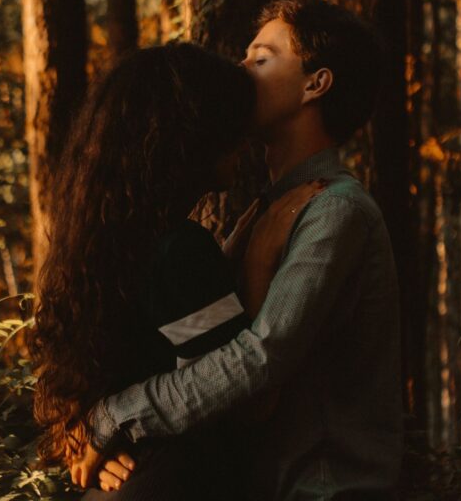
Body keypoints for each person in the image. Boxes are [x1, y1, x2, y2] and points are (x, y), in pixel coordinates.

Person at [73, 0, 403, 500]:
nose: (241, 68)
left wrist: (116, 416)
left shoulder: (336, 211)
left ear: (315, 84)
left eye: (262, 58)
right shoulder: (265, 208)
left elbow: (258, 357)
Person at [31, 43, 323, 500]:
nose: (244, 142)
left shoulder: (112, 242)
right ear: (190, 137)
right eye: (229, 125)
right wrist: (263, 257)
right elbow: (249, 401)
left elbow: (172, 340)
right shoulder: (181, 250)